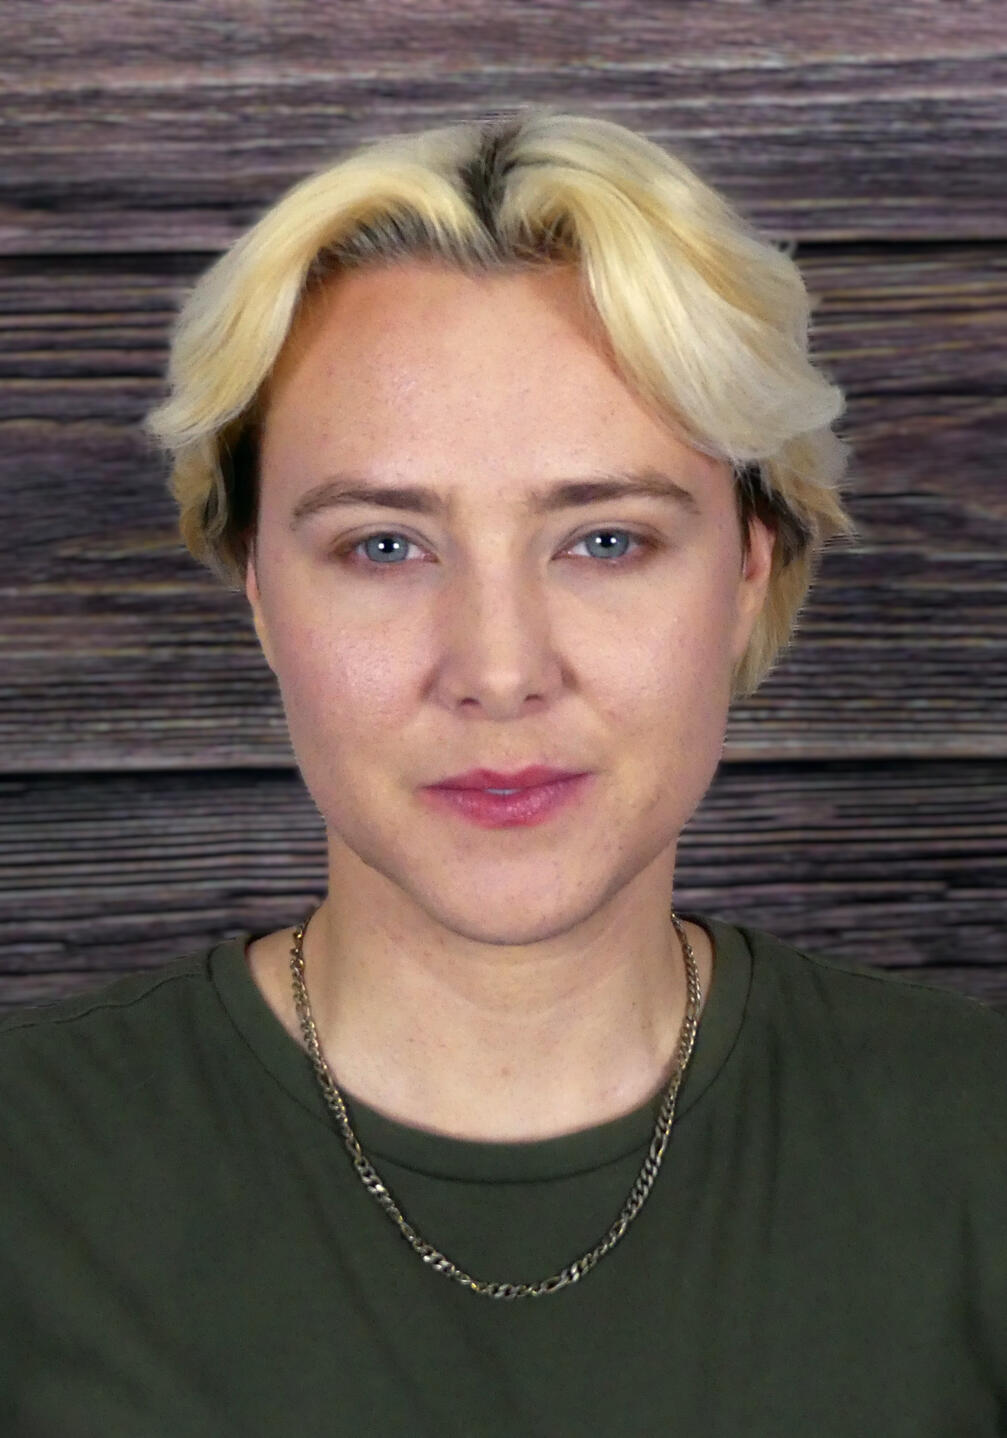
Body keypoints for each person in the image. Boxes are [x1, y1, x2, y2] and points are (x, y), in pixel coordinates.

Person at [1, 105, 1004, 1437]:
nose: (498, 666)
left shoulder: (976, 1145)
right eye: (383, 547)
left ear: (751, 563)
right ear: (257, 590)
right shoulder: (32, 1176)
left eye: (603, 540)